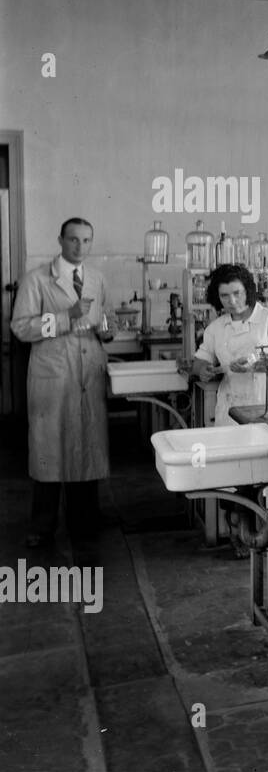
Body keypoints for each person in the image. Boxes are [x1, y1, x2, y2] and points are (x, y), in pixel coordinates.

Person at [11, 217, 112, 548]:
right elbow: (22, 327)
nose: (80, 247)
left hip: (87, 373)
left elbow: (100, 319)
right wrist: (65, 317)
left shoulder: (96, 279)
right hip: (54, 375)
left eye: (86, 240)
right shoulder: (37, 280)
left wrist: (105, 331)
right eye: (73, 240)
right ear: (60, 240)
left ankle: (85, 520)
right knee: (50, 451)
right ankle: (43, 526)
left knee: (86, 447)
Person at [190, 264, 268, 426]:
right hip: (229, 410)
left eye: (237, 293)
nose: (232, 301)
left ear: (248, 290)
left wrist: (255, 365)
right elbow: (199, 361)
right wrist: (203, 370)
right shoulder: (216, 328)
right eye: (224, 296)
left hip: (264, 407)